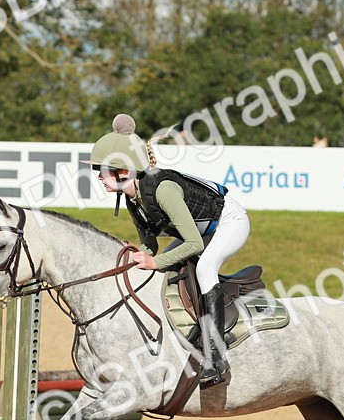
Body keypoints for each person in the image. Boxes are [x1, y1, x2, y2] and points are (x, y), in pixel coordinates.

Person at [84, 114, 250, 388]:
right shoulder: (133, 199)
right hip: (201, 231)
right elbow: (151, 245)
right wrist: (138, 254)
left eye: (101, 170)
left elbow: (193, 244)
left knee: (206, 267)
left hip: (229, 222)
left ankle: (216, 359)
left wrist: (155, 262)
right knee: (169, 267)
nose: (98, 178)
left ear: (123, 171)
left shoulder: (162, 190)